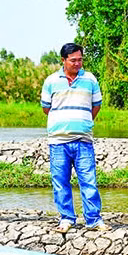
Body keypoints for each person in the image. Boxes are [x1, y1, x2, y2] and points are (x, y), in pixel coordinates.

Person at [41, 43, 109, 233]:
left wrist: (83, 121)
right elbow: (46, 108)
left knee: (88, 180)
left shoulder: (90, 79)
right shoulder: (51, 81)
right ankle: (66, 218)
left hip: (83, 140)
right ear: (63, 60)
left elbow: (96, 106)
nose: (77, 63)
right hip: (58, 141)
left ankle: (93, 219)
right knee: (60, 181)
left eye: (80, 59)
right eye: (73, 60)